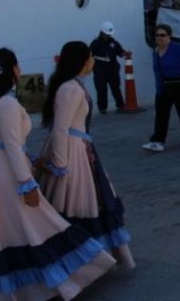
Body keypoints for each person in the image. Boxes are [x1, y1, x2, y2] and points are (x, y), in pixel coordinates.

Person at [0, 49, 116, 300]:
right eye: (17, 65)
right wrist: (26, 184)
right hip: (4, 172)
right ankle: (61, 277)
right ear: (12, 70)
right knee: (36, 226)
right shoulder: (7, 103)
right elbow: (10, 145)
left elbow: (0, 142)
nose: (20, 69)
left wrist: (30, 162)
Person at [38, 41, 136, 269]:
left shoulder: (71, 85)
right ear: (83, 61)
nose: (93, 60)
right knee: (80, 203)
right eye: (91, 57)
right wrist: (60, 164)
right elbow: (61, 128)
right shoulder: (70, 88)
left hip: (80, 148)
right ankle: (85, 261)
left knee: (91, 199)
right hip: (73, 152)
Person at [143, 24, 180, 151]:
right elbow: (157, 71)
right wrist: (159, 88)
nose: (159, 37)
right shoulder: (155, 51)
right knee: (161, 114)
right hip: (164, 87)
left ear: (169, 37)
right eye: (157, 35)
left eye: (162, 35)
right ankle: (158, 141)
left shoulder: (176, 48)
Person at [89, 21, 132, 114]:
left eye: (109, 34)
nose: (108, 36)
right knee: (101, 89)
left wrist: (126, 53)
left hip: (112, 68)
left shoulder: (114, 42)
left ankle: (120, 106)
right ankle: (102, 108)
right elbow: (89, 55)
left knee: (116, 87)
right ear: (102, 32)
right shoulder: (95, 43)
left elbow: (120, 52)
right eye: (106, 34)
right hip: (100, 68)